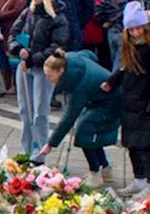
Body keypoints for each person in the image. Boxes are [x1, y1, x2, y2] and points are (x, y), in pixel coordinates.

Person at [101, 3, 150, 197]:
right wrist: (112, 81)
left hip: (149, 103)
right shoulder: (130, 45)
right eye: (131, 29)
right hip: (131, 101)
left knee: (146, 146)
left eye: (138, 28)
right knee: (132, 145)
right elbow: (125, 68)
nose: (135, 32)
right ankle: (139, 179)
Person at [36, 49, 124, 187]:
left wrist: (50, 144)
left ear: (60, 71)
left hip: (111, 101)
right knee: (91, 133)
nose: (48, 79)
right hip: (100, 97)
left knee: (84, 132)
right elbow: (90, 55)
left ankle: (95, 173)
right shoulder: (71, 59)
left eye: (50, 76)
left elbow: (69, 117)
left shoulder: (77, 84)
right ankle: (105, 169)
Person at [11, 0, 69, 155]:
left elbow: (56, 46)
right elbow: (13, 32)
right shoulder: (28, 12)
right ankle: (25, 149)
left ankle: (39, 151)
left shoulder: (58, 19)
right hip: (24, 65)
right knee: (24, 109)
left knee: (40, 112)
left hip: (42, 69)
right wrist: (17, 48)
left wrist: (33, 58)